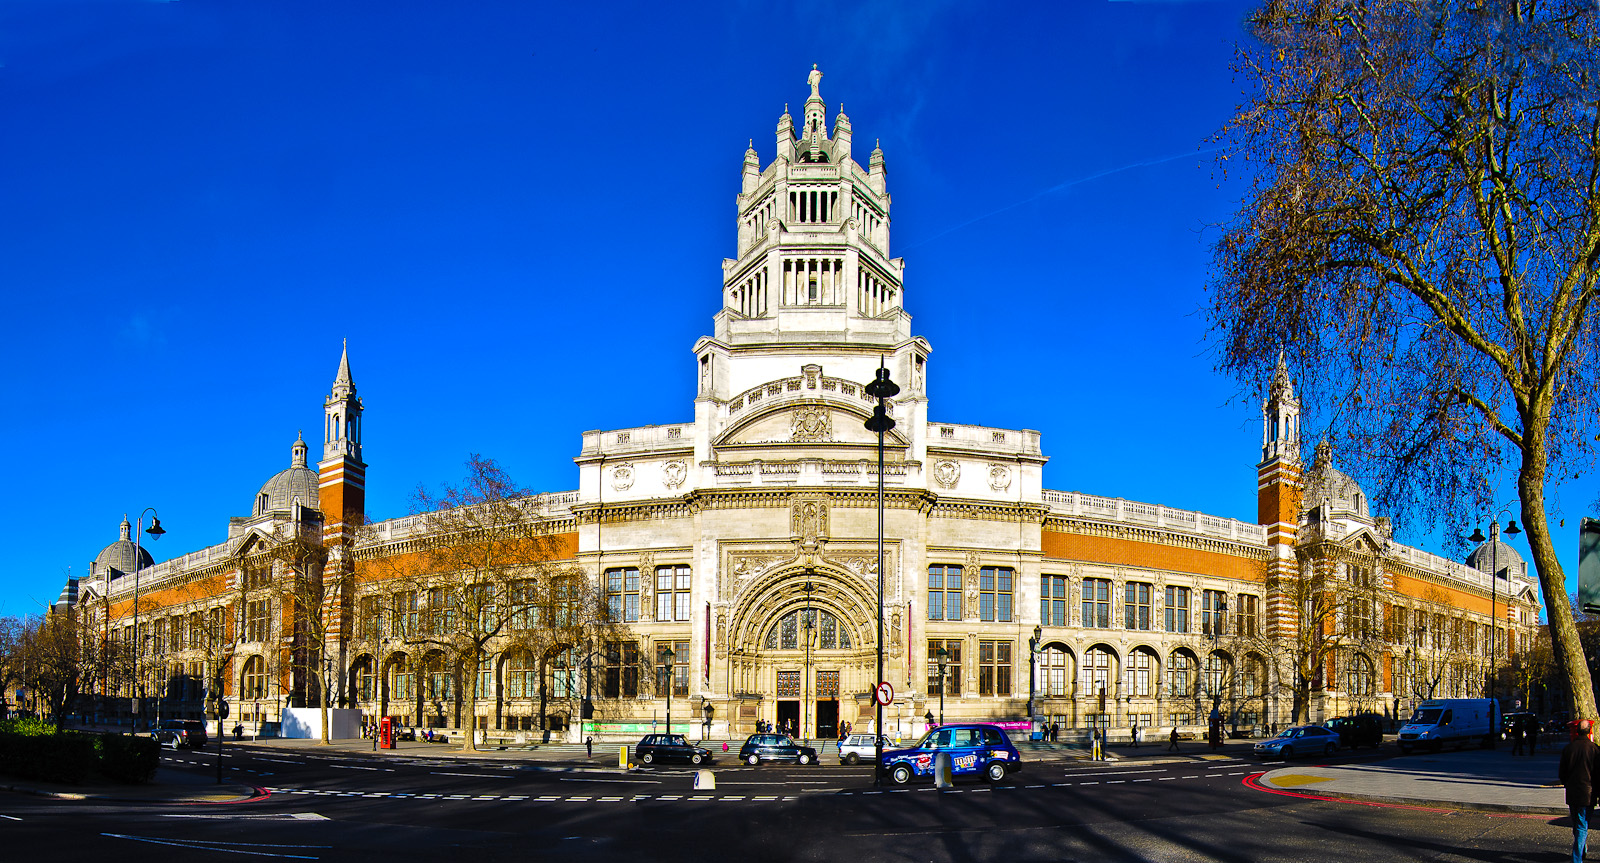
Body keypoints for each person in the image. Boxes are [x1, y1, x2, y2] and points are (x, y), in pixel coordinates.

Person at [1560, 719, 1600, 863]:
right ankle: (1577, 858)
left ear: (1577, 731)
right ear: (1589, 731)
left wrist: (1567, 784)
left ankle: (1581, 851)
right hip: (1588, 793)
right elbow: (1597, 774)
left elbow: (1562, 773)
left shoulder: (1568, 748)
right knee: (1582, 825)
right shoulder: (1594, 749)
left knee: (1577, 823)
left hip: (1572, 792)